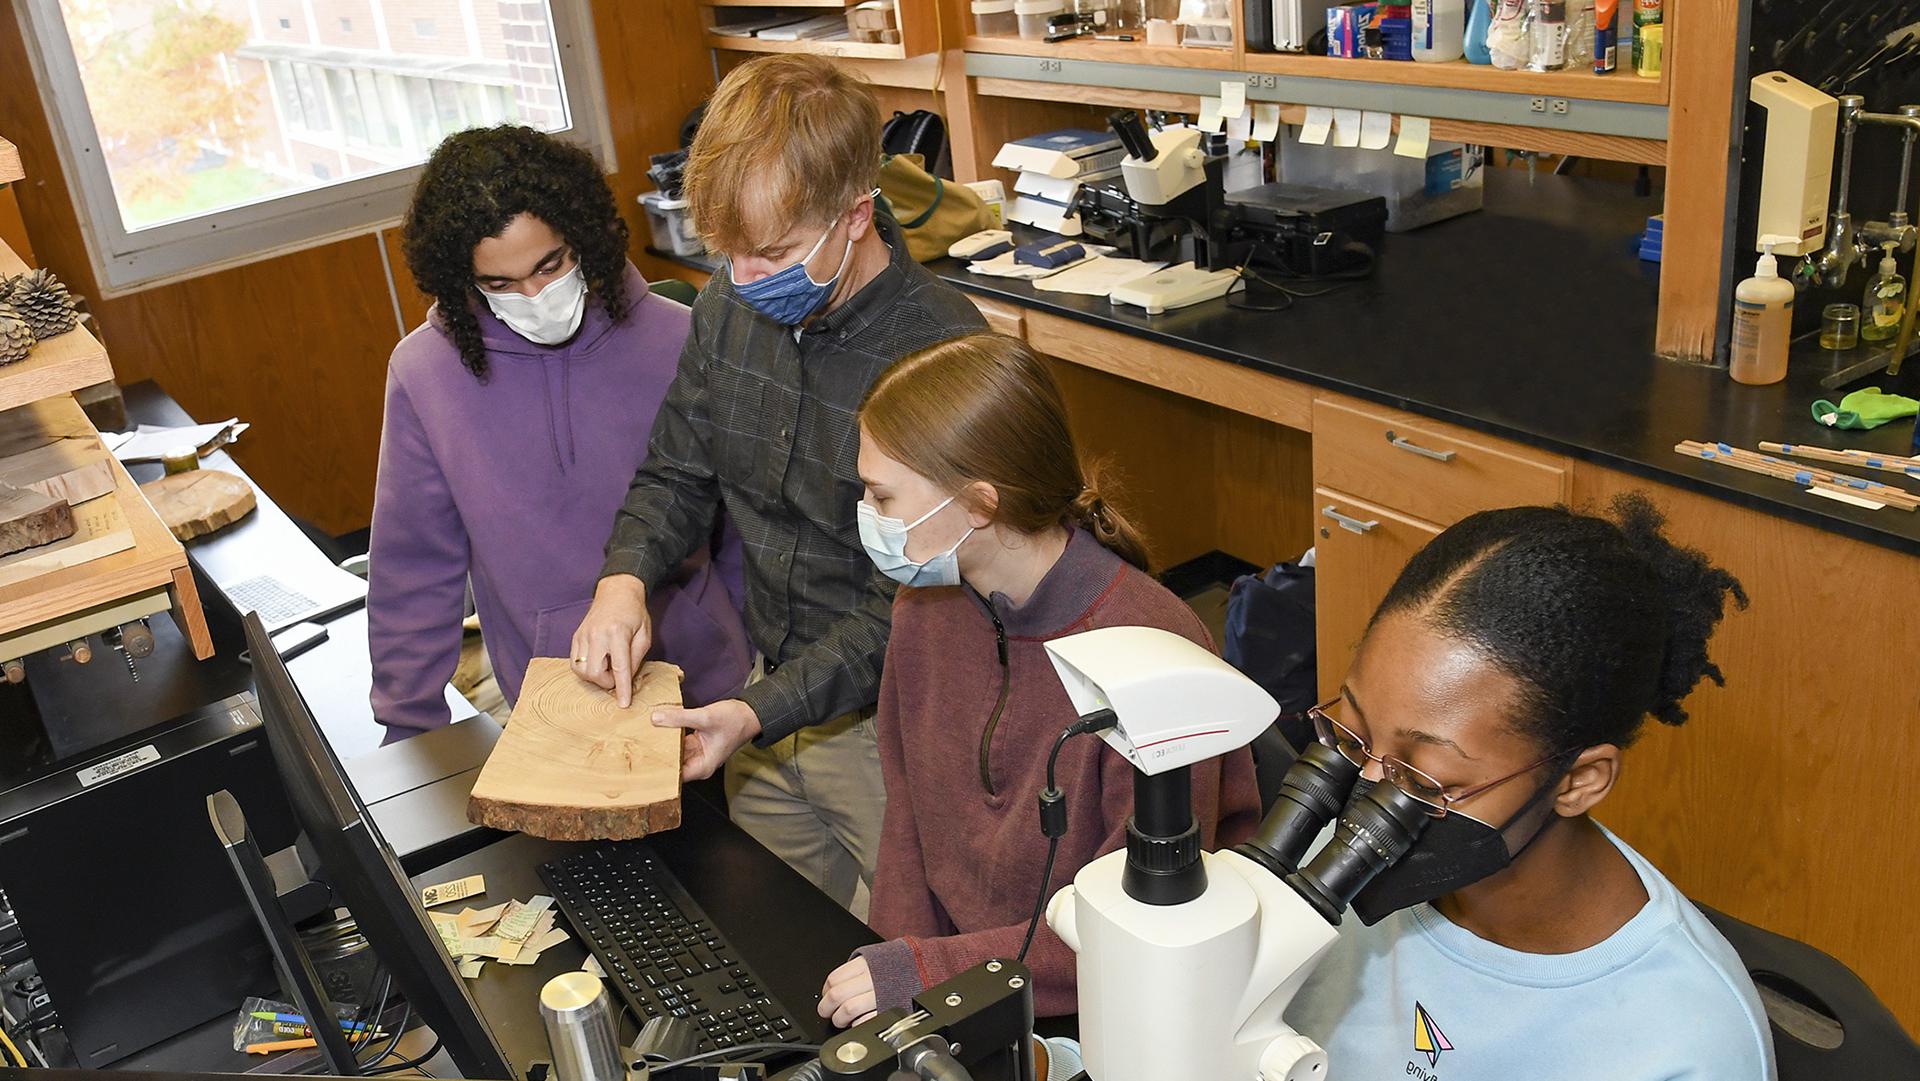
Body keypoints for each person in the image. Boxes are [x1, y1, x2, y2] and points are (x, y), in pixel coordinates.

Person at [570, 55, 988, 911]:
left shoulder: (941, 354)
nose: (745, 280)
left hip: (895, 723)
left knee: (915, 961)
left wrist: (758, 710)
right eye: (729, 254)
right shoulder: (733, 305)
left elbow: (911, 604)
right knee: (784, 937)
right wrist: (622, 582)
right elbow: (678, 467)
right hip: (763, 696)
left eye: (773, 254)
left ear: (856, 216)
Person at [814, 335, 1264, 1025]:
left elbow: (1137, 935)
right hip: (963, 992)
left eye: (881, 495)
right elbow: (906, 818)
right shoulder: (922, 613)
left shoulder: (1154, 653)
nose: (869, 518)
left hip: (1104, 1009)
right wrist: (897, 967)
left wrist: (928, 973)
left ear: (978, 505)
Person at [1284, 496, 1775, 1080]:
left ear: (1578, 781)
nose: (1366, 793)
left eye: (1420, 777)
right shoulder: (1334, 855)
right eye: (1356, 732)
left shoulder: (1684, 1044)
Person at [369, 126, 752, 744]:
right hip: (552, 705)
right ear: (462, 280)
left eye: (550, 265)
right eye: (499, 284)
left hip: (707, 689)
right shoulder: (425, 375)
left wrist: (738, 638)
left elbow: (739, 518)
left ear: (583, 236)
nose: (534, 296)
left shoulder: (680, 338)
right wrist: (410, 725)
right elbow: (414, 564)